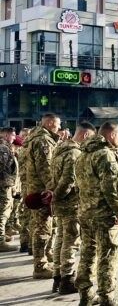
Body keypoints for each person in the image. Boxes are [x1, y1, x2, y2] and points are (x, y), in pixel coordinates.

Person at [75, 122, 118, 305]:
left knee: (87, 254)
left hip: (85, 212)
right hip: (103, 215)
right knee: (108, 256)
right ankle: (106, 297)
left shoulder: (83, 154)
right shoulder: (105, 155)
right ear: (111, 135)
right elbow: (110, 188)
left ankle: (85, 295)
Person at [49, 122, 95, 295]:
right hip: (71, 203)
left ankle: (57, 276)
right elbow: (68, 180)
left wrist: (54, 196)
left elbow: (54, 176)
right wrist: (58, 196)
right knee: (70, 241)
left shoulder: (60, 148)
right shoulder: (75, 153)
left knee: (60, 238)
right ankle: (67, 279)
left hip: (60, 203)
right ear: (84, 136)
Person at [25, 113, 61, 279]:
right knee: (42, 229)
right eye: (58, 124)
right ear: (50, 123)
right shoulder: (42, 140)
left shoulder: (37, 137)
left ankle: (45, 256)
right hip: (42, 191)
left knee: (44, 226)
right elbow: (45, 168)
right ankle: (40, 266)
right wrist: (54, 189)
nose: (59, 128)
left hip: (37, 189)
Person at [0, 127, 18, 253]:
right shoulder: (3, 148)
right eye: (13, 135)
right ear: (6, 135)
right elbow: (2, 168)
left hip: (5, 184)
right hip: (3, 186)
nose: (15, 138)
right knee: (2, 213)